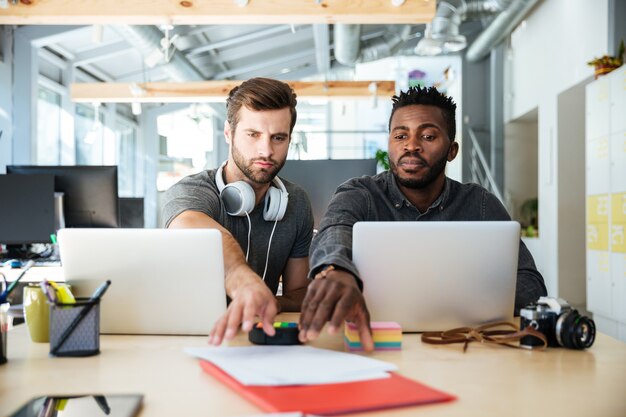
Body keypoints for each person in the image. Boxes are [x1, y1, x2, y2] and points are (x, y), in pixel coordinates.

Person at [298, 85, 547, 351]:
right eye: (400, 135)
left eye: (428, 136)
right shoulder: (360, 194)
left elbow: (531, 286)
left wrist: (454, 299)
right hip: (376, 345)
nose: (411, 146)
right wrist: (337, 270)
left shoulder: (481, 205)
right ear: (390, 143)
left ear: (452, 150)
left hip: (463, 348)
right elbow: (334, 230)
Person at [162, 78, 314, 345]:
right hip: (192, 337)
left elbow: (299, 292)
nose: (266, 150)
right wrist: (239, 279)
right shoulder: (191, 191)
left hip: (255, 336)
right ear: (229, 133)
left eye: (278, 138)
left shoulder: (296, 202)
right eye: (253, 134)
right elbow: (191, 227)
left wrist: (267, 303)